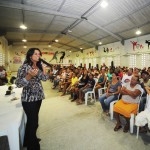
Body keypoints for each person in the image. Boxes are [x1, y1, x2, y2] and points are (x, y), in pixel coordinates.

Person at [15, 48, 50, 150]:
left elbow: (44, 79)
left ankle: (28, 140)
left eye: (39, 54)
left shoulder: (37, 67)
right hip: (29, 99)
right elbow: (18, 83)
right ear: (30, 56)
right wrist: (29, 76)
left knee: (31, 121)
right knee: (34, 123)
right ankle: (33, 146)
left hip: (38, 98)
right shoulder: (24, 67)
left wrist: (43, 70)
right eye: (36, 54)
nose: (38, 55)